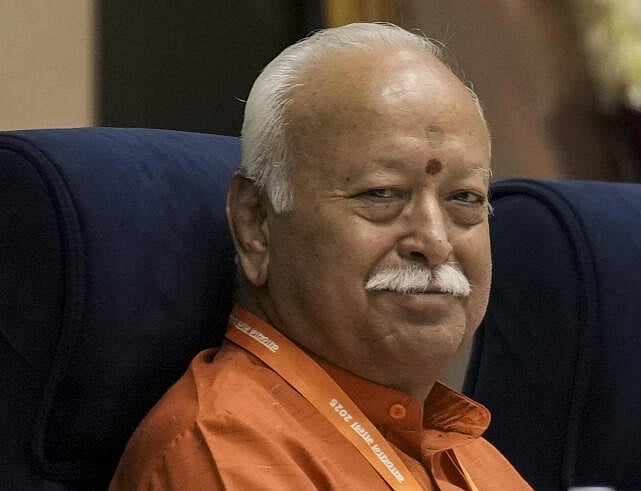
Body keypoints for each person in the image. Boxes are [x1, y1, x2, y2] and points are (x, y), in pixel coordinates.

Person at [110, 22, 532, 490]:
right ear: (255, 224)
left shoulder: (473, 459)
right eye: (381, 192)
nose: (434, 241)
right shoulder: (224, 455)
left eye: (465, 199)